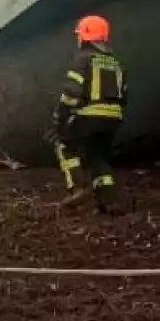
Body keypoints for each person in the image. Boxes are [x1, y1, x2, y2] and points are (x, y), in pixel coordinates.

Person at [49, 14, 127, 213]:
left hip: (89, 115)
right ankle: (108, 202)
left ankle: (77, 188)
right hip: (113, 119)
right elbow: (124, 93)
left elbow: (71, 92)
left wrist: (60, 117)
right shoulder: (115, 62)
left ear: (85, 37)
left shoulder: (83, 59)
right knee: (98, 157)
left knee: (65, 144)